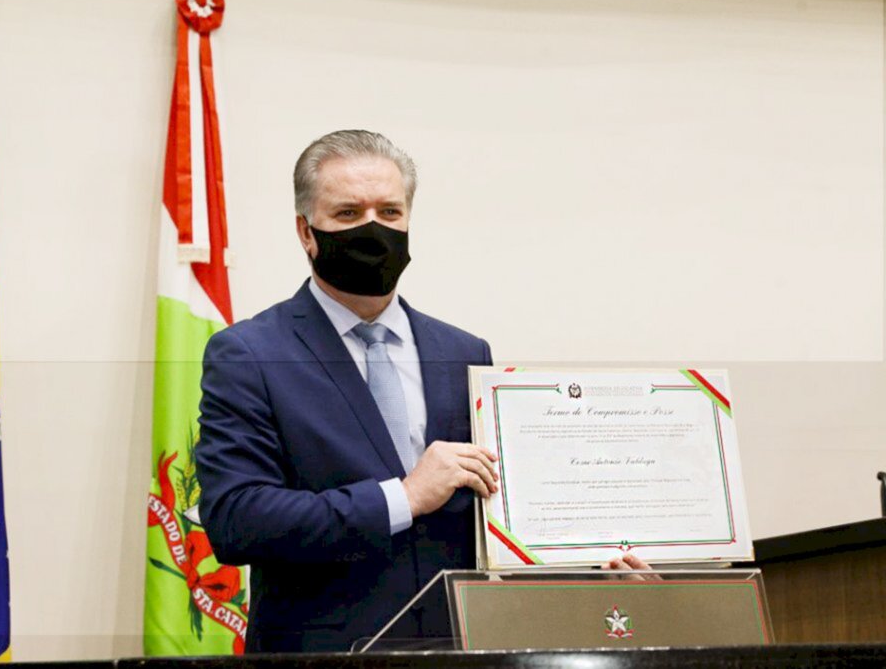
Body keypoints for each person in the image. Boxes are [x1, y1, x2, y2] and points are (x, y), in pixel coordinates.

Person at [195, 130, 647, 653]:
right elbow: (237, 520)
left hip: (460, 652)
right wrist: (403, 497)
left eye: (390, 213)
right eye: (347, 213)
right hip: (322, 661)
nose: (373, 229)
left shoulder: (464, 351)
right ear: (306, 230)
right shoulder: (248, 353)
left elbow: (497, 516)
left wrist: (592, 567)